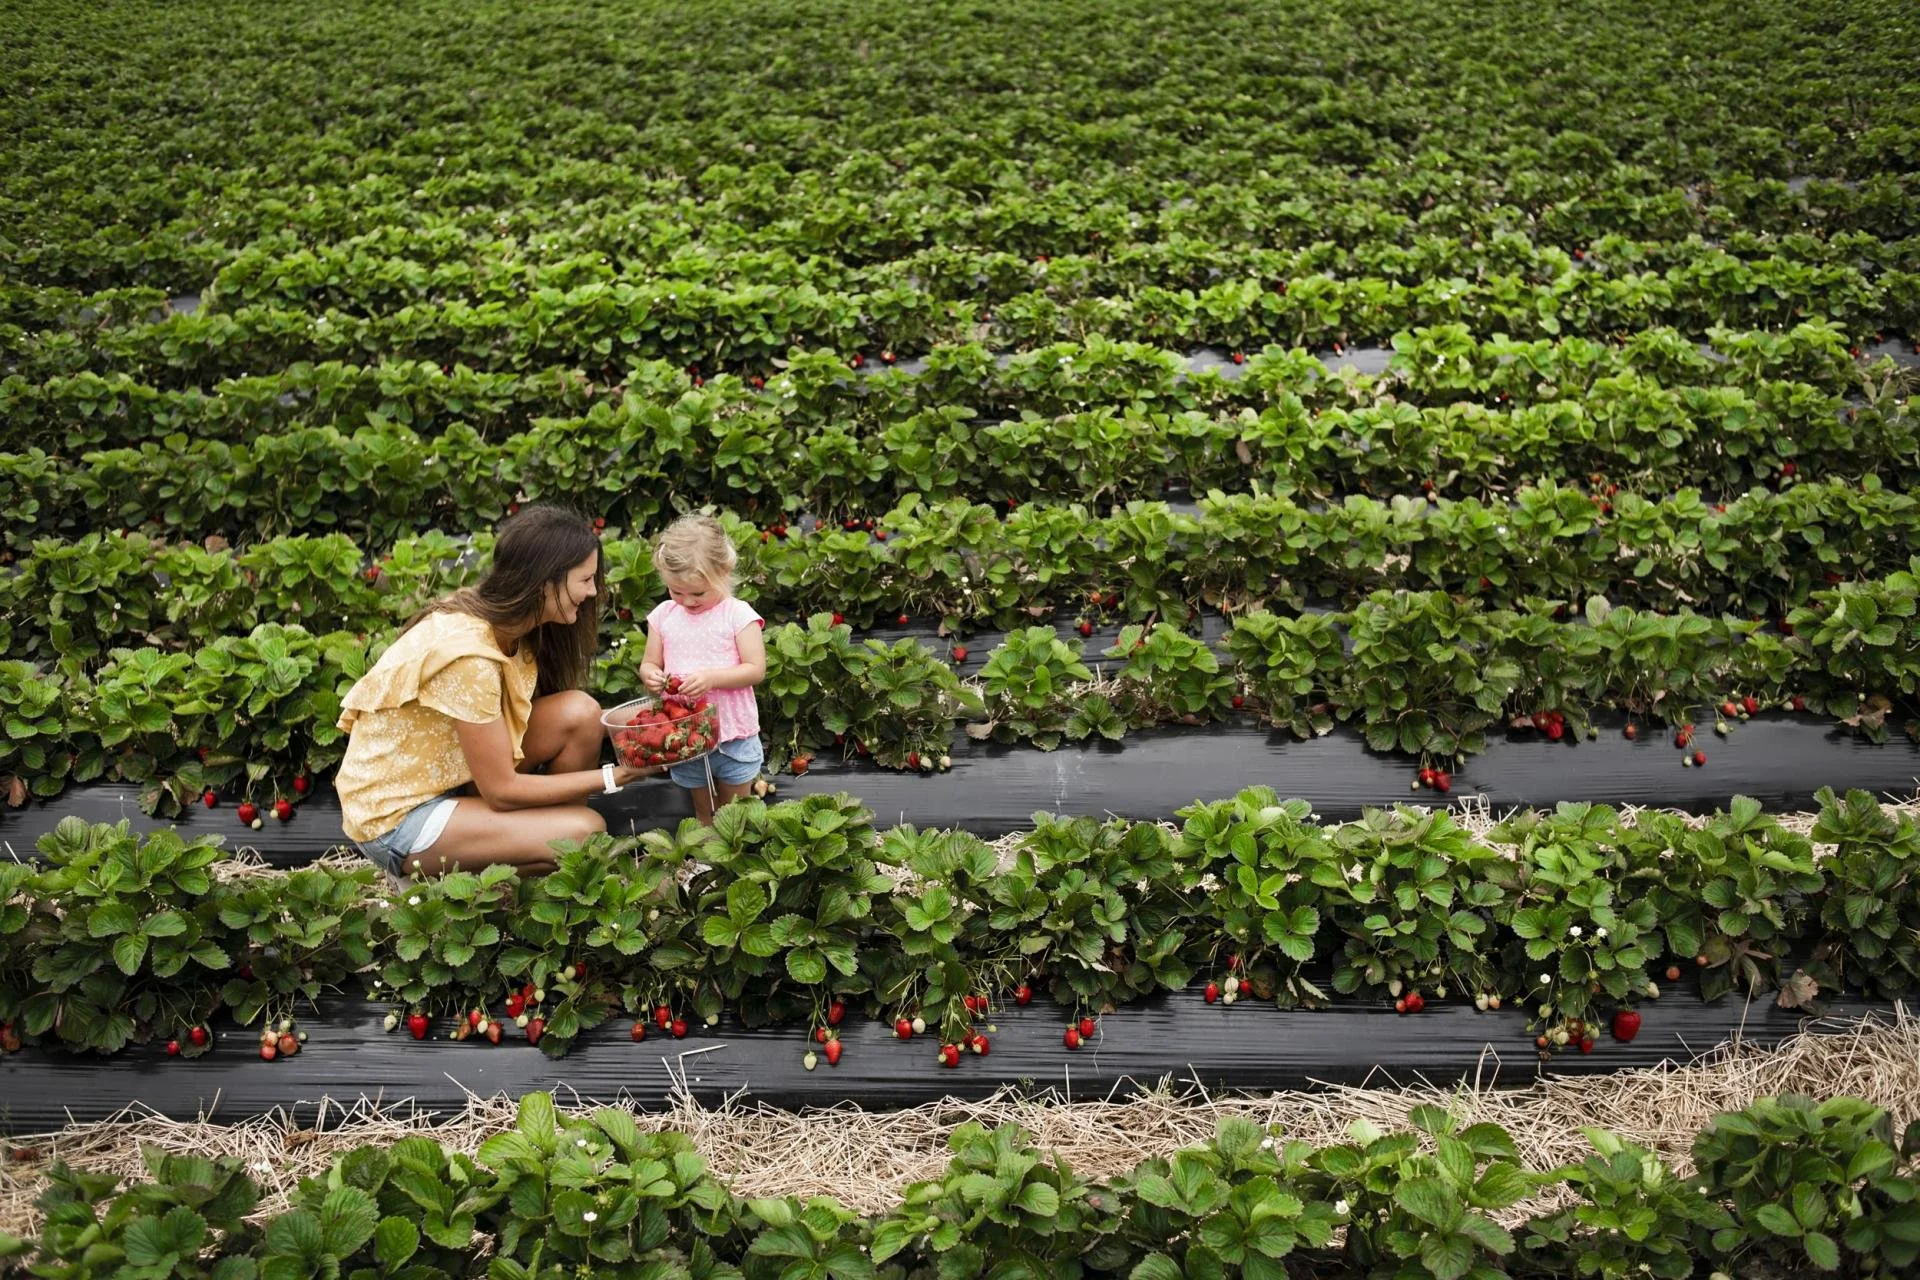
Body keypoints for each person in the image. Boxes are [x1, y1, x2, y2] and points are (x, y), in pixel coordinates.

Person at [334, 505, 650, 879]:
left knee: (580, 714)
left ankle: (541, 856)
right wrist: (615, 776)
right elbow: (501, 790)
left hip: (448, 776)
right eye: (584, 580)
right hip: (399, 814)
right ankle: (469, 876)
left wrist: (639, 723)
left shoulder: (506, 622)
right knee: (584, 832)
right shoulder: (471, 658)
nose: (592, 591)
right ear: (545, 582)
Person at [637, 513, 768, 823]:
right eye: (676, 591)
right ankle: (708, 856)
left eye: (698, 593)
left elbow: (755, 669)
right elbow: (649, 663)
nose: (687, 601)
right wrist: (651, 676)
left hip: (733, 734)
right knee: (702, 810)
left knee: (734, 811)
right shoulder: (664, 616)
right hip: (686, 734)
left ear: (724, 572)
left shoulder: (737, 614)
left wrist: (711, 679)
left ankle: (732, 855)